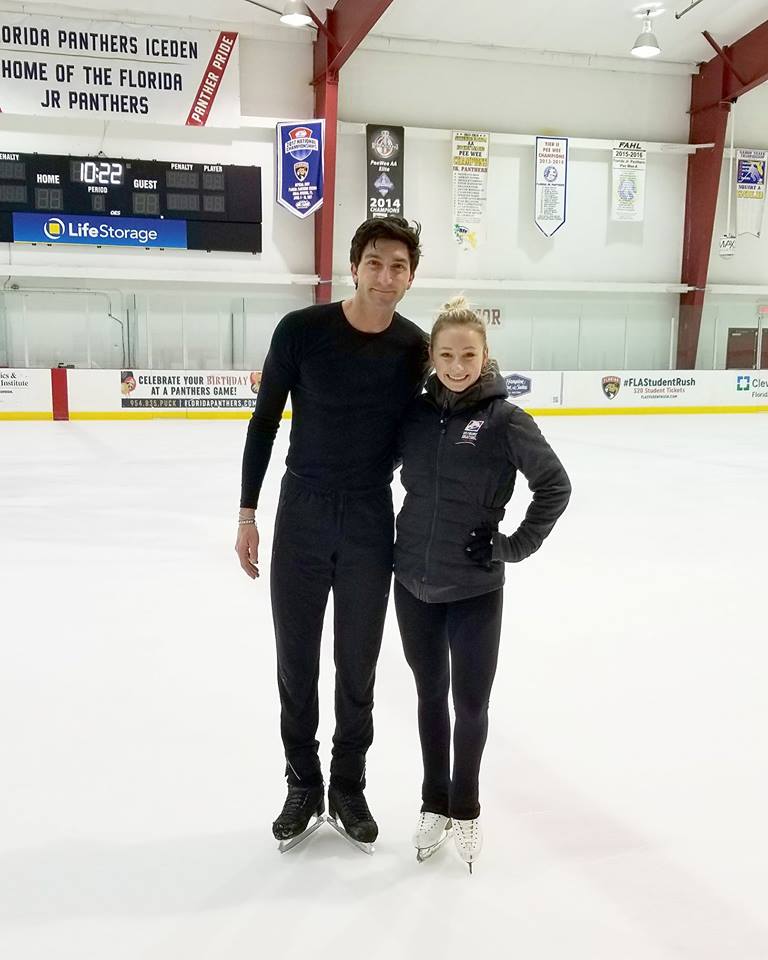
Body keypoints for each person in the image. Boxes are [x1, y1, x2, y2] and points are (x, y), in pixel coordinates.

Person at [236, 218, 428, 850]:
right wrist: (247, 514)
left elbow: (438, 423)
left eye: (398, 266)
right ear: (355, 266)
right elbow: (263, 424)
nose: (385, 275)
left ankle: (349, 783)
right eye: (375, 262)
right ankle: (302, 781)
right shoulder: (302, 331)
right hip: (303, 510)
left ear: (411, 275)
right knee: (296, 657)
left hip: (372, 514)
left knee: (358, 662)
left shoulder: (415, 348)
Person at [393, 296, 571, 872]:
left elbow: (554, 487)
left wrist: (513, 546)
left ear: (485, 354)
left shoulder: (505, 421)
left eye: (468, 354)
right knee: (427, 697)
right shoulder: (415, 416)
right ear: (432, 356)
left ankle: (465, 810)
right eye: (446, 354)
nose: (457, 364)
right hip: (412, 583)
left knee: (469, 704)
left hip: (473, 589)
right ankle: (432, 804)